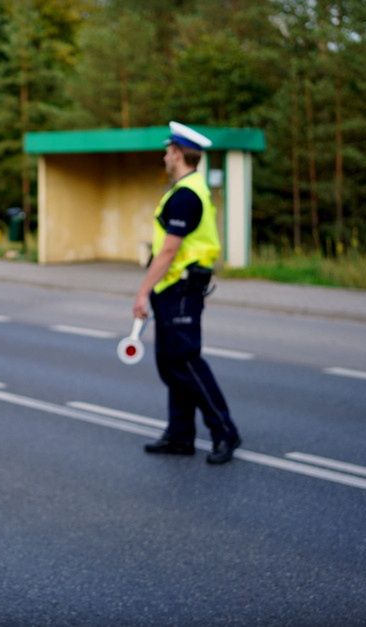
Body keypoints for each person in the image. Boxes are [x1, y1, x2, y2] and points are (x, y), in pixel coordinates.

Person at [133, 122, 242, 465]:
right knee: (171, 364)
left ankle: (225, 432)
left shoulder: (186, 195)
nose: (165, 156)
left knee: (186, 362)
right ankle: (180, 435)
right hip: (174, 289)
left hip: (180, 288)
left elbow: (168, 251)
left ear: (179, 153)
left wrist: (141, 292)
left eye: (168, 151)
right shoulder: (186, 189)